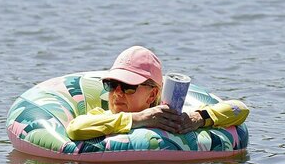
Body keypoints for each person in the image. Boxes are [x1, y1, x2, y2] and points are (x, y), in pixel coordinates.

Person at [67, 46, 249, 140]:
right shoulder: (101, 117)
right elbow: (75, 129)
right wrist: (139, 118)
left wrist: (198, 118)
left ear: (152, 95)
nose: (117, 93)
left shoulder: (171, 116)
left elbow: (240, 109)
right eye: (112, 84)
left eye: (128, 86)